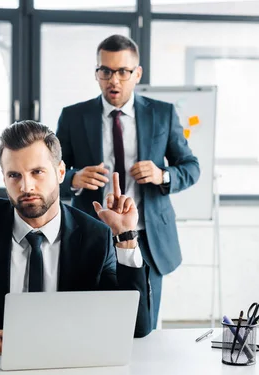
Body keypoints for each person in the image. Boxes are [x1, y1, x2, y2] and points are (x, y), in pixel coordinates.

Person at [0, 121, 151, 352]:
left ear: (61, 172)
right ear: (4, 178)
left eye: (37, 172)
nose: (26, 187)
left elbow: (136, 328)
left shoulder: (94, 236)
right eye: (14, 175)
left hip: (68, 366)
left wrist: (125, 236)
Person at [56, 34, 199, 328]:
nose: (114, 80)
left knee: (144, 324)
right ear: (97, 73)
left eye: (123, 71)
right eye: (105, 71)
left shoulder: (163, 113)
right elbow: (49, 172)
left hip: (147, 237)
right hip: (91, 235)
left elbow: (191, 167)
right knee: (91, 321)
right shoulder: (73, 116)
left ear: (137, 74)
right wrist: (74, 178)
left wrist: (163, 175)